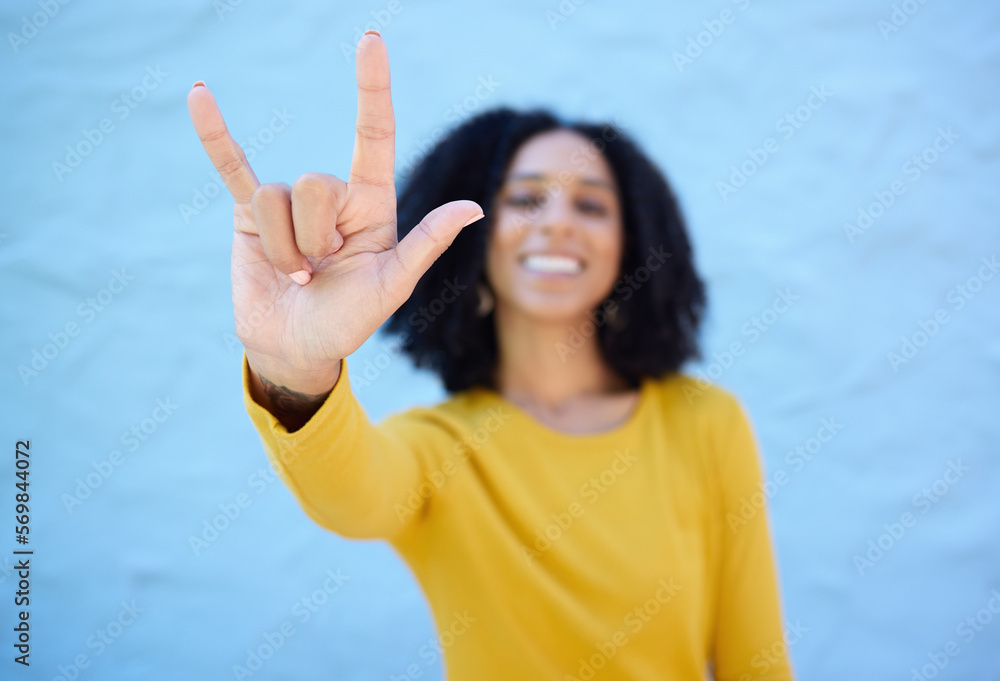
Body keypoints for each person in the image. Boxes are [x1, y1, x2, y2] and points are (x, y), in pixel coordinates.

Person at [187, 29, 795, 681]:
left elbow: (757, 664)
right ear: (477, 245)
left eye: (591, 204)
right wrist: (296, 365)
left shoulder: (706, 424)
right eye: (526, 197)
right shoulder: (440, 449)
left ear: (632, 246)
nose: (558, 220)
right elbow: (350, 494)